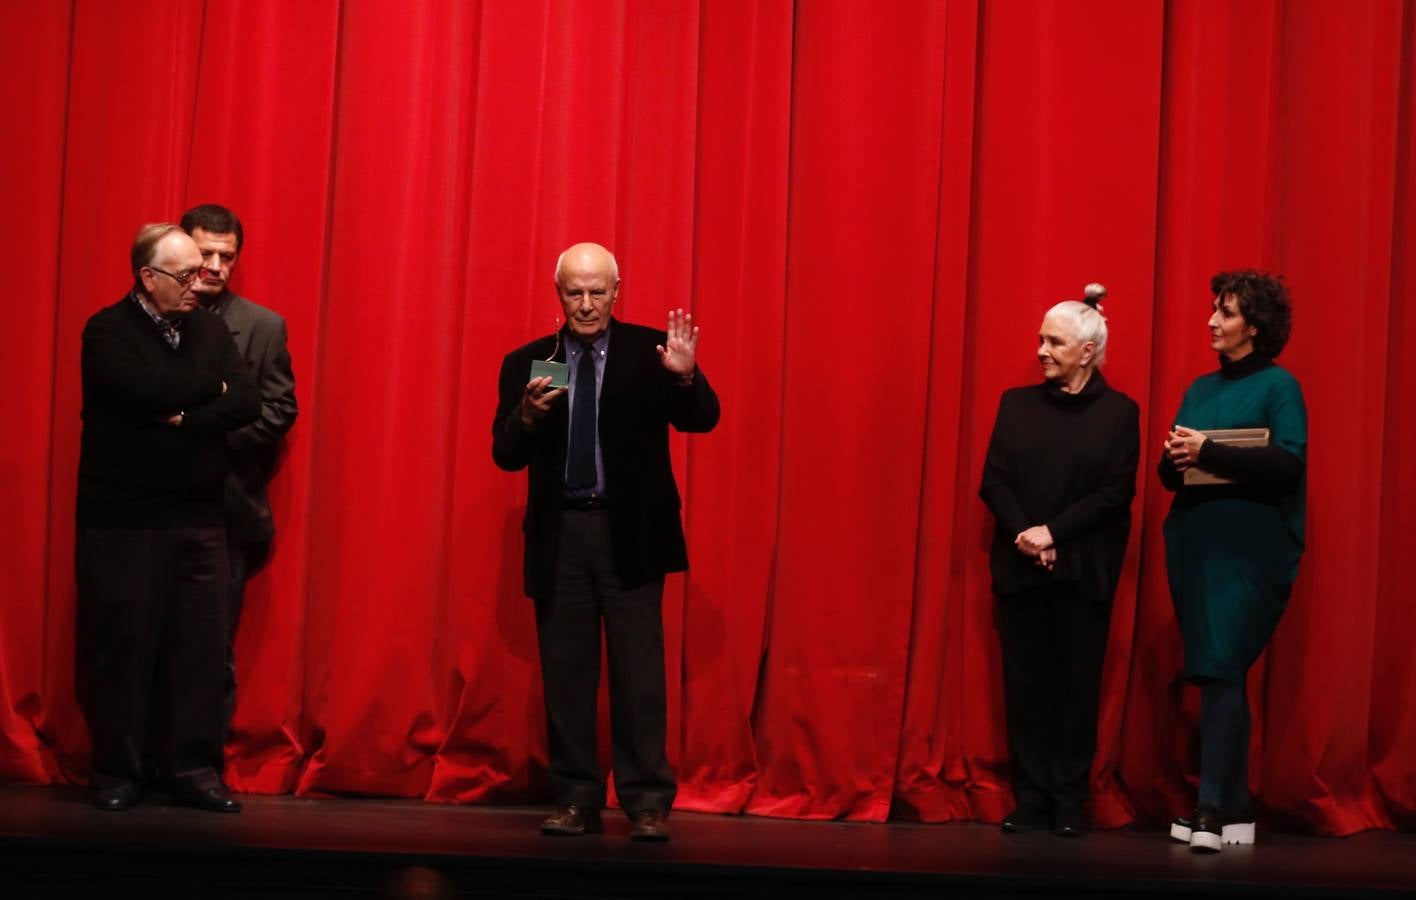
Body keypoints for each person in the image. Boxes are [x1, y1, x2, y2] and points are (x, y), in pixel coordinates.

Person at [491, 242, 720, 842]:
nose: (587, 303)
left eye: (598, 291)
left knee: (639, 674)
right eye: (576, 292)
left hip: (631, 535)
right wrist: (529, 418)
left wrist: (687, 376)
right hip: (561, 534)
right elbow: (505, 453)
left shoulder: (651, 355)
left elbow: (703, 419)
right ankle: (575, 799)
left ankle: (646, 802)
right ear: (558, 293)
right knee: (566, 675)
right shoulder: (529, 361)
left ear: (618, 292)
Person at [76, 223, 259, 812]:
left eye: (203, 274)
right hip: (124, 520)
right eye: (184, 275)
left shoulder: (207, 328)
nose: (198, 284)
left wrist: (186, 411)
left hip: (200, 515)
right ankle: (118, 772)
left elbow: (248, 400)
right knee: (124, 649)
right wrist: (209, 388)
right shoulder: (107, 331)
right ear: (146, 278)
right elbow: (137, 389)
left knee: (198, 650)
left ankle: (192, 770)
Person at [979, 286, 1139, 837]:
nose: (1041, 349)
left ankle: (1069, 801)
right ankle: (1031, 798)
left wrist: (1054, 532)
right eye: (1041, 339)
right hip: (1022, 567)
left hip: (1082, 574)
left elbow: (1115, 493)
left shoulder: (1120, 413)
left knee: (1075, 689)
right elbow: (993, 479)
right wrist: (1028, 533)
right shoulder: (1014, 404)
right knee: (1025, 691)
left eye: (1054, 341)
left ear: (1087, 352)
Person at [1160, 270, 1305, 853]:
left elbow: (1289, 463)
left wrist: (1209, 449)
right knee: (1218, 671)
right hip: (1196, 539)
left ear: (1255, 325)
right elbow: (1174, 474)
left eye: (1226, 312)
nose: (1213, 321)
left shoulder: (1280, 386)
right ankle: (1236, 807)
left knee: (1222, 665)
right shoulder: (1199, 388)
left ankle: (1210, 810)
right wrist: (1176, 456)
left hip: (1249, 547)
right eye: (1215, 310)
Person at [180, 204, 298, 739]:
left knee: (209, 644)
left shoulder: (262, 326)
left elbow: (279, 410)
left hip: (225, 510)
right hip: (145, 509)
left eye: (226, 257)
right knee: (139, 637)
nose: (215, 266)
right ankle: (137, 766)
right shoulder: (148, 320)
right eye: (205, 253)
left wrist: (207, 435)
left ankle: (202, 762)